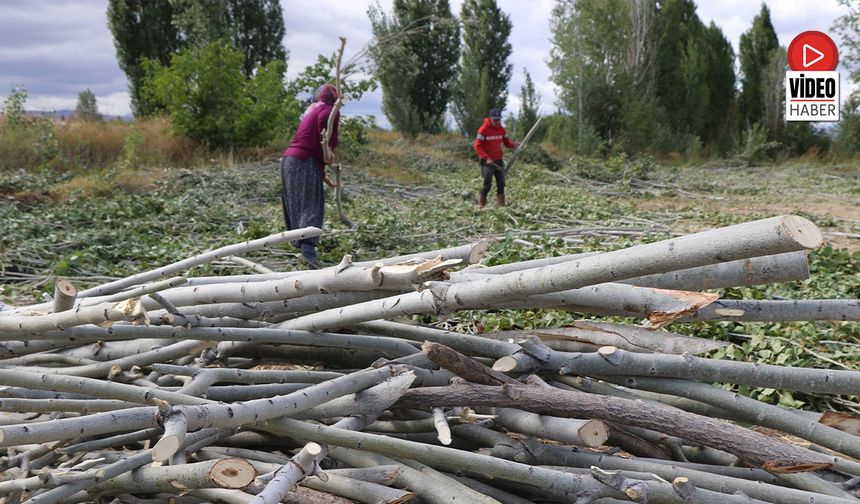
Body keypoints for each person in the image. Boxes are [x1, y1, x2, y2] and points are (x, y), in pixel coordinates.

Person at [280, 83, 340, 269]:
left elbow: (313, 144)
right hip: (303, 161)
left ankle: (301, 249)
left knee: (296, 205)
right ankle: (308, 254)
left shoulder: (312, 109)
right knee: (311, 206)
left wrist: (323, 173)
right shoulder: (329, 111)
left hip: (290, 161)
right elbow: (322, 139)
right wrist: (328, 152)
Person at [473, 107, 518, 207]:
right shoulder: (483, 130)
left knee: (501, 183)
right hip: (487, 162)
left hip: (498, 160)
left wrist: (515, 145)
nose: (497, 122)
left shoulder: (501, 129)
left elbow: (507, 143)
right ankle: (481, 205)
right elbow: (477, 146)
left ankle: (501, 207)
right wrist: (486, 158)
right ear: (490, 118)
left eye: (499, 119)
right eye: (495, 120)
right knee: (487, 185)